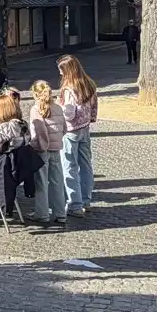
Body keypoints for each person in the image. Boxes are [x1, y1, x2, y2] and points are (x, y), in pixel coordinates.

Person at [57, 54, 99, 217]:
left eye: (61, 71)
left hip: (70, 130)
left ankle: (75, 204)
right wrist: (90, 118)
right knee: (86, 165)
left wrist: (57, 109)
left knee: (69, 166)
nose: (60, 74)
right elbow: (94, 106)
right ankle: (86, 200)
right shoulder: (89, 84)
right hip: (85, 128)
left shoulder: (69, 89)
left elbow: (69, 113)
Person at [27, 80, 68, 230]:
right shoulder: (57, 108)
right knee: (57, 181)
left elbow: (39, 131)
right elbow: (64, 128)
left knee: (41, 182)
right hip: (56, 148)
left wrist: (40, 146)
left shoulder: (35, 109)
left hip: (42, 150)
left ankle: (42, 213)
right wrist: (57, 140)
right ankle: (60, 213)